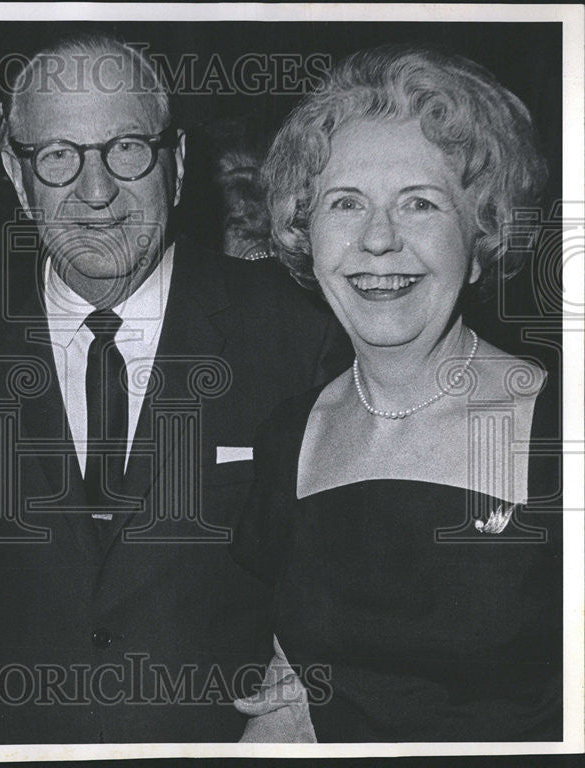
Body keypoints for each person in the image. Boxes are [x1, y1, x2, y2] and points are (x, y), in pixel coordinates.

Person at [0, 32, 349, 744]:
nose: (96, 190)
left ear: (177, 163)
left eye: (127, 147)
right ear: (18, 179)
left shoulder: (298, 335)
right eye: (58, 156)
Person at [232, 46, 562, 741]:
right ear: (304, 232)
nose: (378, 240)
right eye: (346, 203)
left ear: (482, 235)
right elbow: (290, 690)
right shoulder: (288, 437)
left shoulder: (563, 431)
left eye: (420, 203)